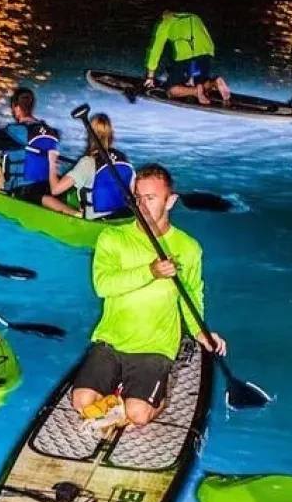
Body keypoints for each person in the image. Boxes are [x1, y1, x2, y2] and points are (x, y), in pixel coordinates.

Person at [69, 164, 225, 429]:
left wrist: (200, 332)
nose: (141, 205)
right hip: (111, 339)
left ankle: (156, 397)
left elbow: (190, 294)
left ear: (170, 201)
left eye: (150, 198)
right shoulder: (112, 237)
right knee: (82, 402)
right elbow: (103, 285)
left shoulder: (188, 248)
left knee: (138, 415)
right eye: (137, 198)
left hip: (155, 347)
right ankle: (120, 389)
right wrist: (150, 271)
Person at [0, 86, 60, 201]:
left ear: (16, 108)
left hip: (20, 190)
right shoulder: (50, 131)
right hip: (45, 188)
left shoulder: (13, 131)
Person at [42, 113, 135, 221]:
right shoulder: (123, 159)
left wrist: (52, 163)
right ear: (111, 135)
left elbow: (55, 190)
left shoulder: (87, 163)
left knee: (45, 198)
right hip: (122, 217)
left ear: (89, 135)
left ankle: (77, 214)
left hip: (96, 220)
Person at [144, 11, 232, 105]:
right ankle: (214, 83)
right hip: (205, 49)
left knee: (171, 91)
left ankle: (195, 92)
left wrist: (150, 76)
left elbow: (156, 49)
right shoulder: (195, 16)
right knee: (202, 82)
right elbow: (207, 36)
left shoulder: (165, 23)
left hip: (185, 53)